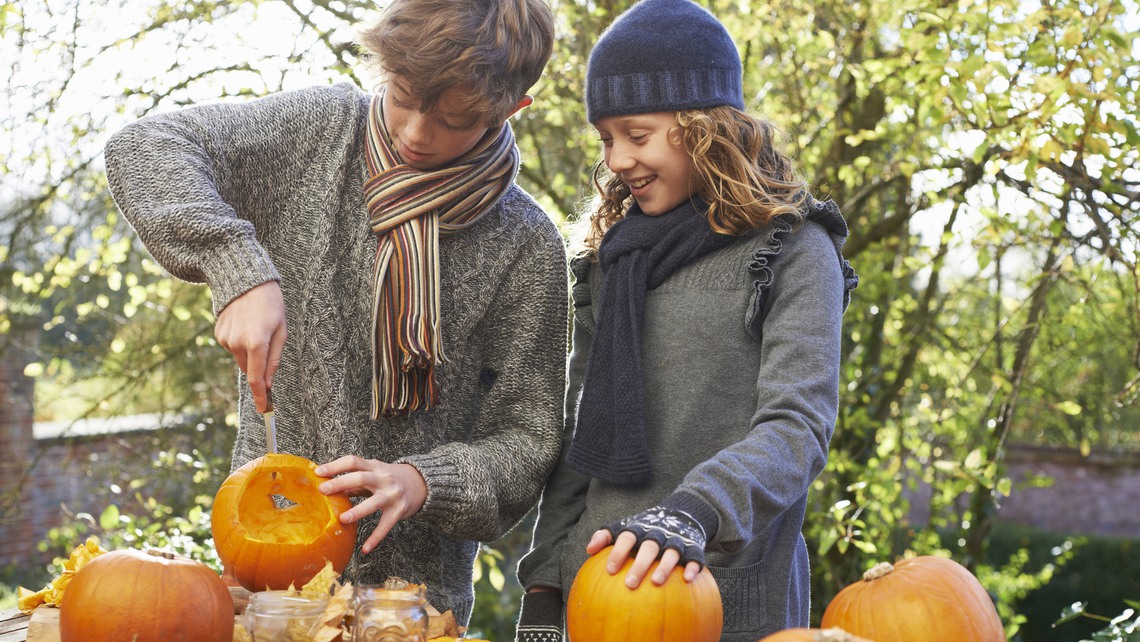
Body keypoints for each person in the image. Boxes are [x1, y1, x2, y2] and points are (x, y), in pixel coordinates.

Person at [103, 0, 568, 625]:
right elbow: (145, 146)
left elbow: (529, 440)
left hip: (413, 613)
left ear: (511, 110)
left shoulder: (527, 246)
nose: (414, 133)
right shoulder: (317, 132)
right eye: (403, 96)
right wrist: (237, 268)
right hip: (270, 602)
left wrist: (426, 480)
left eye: (453, 119)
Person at [513, 0, 859, 639]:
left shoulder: (795, 252)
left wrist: (693, 512)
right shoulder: (616, 260)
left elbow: (797, 428)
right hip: (598, 603)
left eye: (636, 135)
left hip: (730, 604)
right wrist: (544, 584)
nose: (616, 160)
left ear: (705, 128)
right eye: (606, 139)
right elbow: (579, 442)